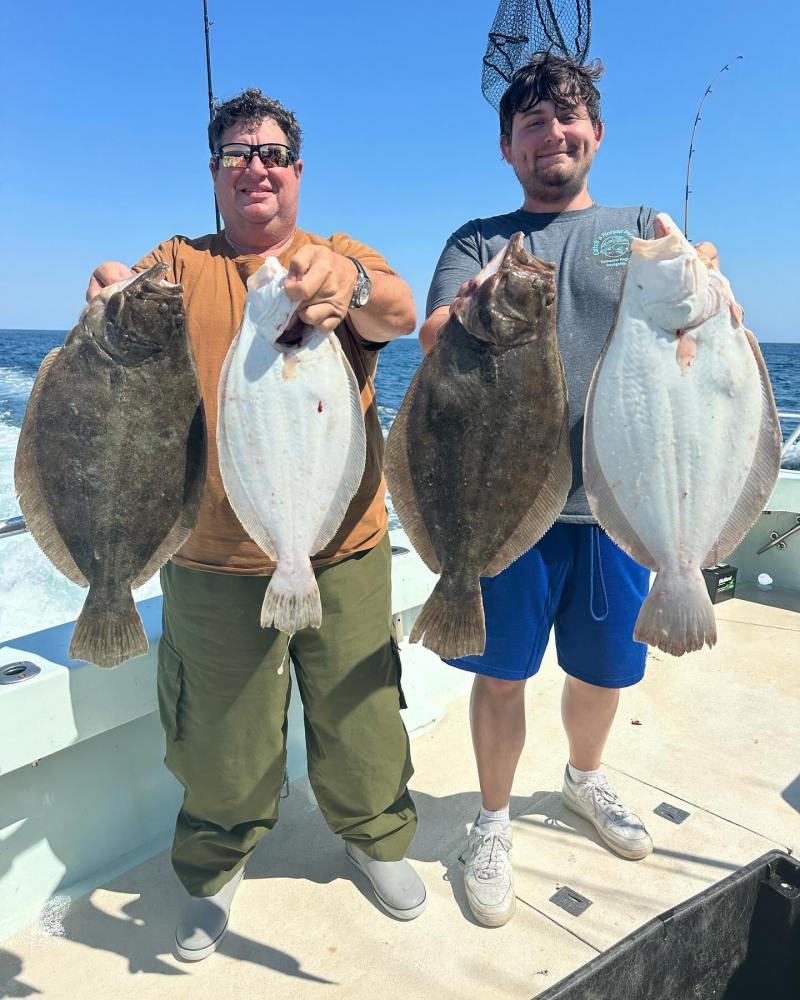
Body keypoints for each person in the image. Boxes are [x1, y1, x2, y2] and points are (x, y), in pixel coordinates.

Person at [88, 88, 425, 961]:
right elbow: (123, 293)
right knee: (219, 740)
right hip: (204, 556)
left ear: (297, 171)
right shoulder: (180, 261)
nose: (256, 169)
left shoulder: (337, 257)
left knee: (361, 717)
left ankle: (375, 836)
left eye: (272, 153)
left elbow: (397, 311)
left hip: (339, 544)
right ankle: (213, 869)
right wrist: (107, 294)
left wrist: (347, 287)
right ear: (215, 175)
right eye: (236, 155)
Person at [420, 53, 719, 929]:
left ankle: (585, 780)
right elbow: (434, 334)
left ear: (595, 131)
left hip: (618, 504)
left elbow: (692, 291)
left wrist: (709, 277)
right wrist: (470, 301)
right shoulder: (478, 239)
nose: (554, 133)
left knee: (602, 671)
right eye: (534, 124)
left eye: (569, 116)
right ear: (508, 148)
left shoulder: (637, 225)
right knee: (502, 676)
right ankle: (493, 820)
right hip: (508, 505)